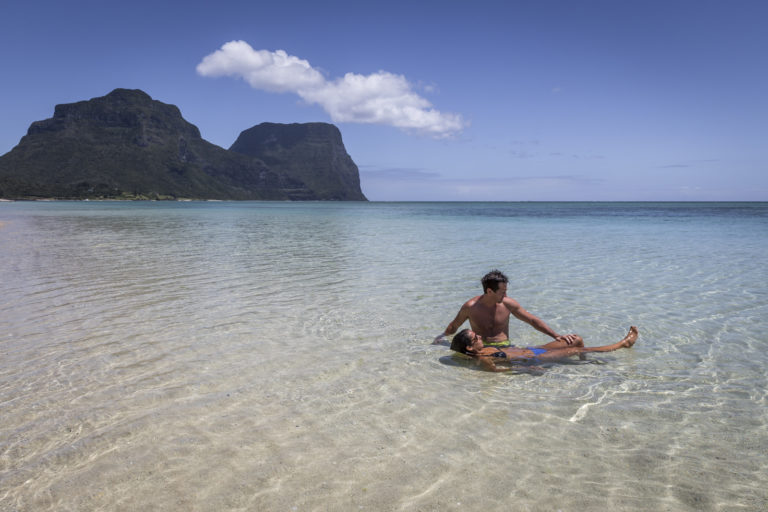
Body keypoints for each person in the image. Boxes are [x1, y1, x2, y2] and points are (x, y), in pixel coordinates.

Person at [434, 270, 580, 348]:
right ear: (489, 291)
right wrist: (441, 337)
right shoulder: (471, 307)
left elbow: (532, 320)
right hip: (482, 348)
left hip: (505, 347)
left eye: (506, 290)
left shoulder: (508, 304)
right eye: (502, 292)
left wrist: (555, 335)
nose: (506, 294)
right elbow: (454, 325)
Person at [450, 326, 638, 372]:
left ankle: (586, 364)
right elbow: (498, 373)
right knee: (578, 350)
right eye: (476, 337)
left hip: (532, 349)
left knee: (577, 339)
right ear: (469, 347)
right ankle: (622, 344)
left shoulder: (485, 349)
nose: (480, 336)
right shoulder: (483, 358)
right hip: (536, 359)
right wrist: (527, 369)